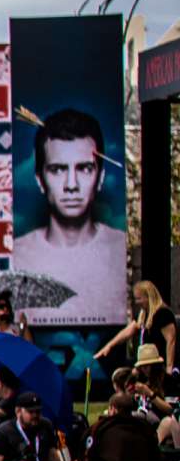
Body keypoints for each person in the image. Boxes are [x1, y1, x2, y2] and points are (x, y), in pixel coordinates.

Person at [10, 107, 124, 326]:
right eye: (58, 169)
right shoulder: (19, 256)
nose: (71, 185)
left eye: (84, 168)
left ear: (100, 177)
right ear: (40, 180)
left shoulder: (117, 249)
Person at [96, 280, 177, 373]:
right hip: (146, 362)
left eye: (139, 299)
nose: (136, 302)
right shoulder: (143, 315)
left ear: (148, 297)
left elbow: (171, 341)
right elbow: (127, 332)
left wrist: (169, 367)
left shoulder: (163, 314)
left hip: (158, 364)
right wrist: (109, 346)